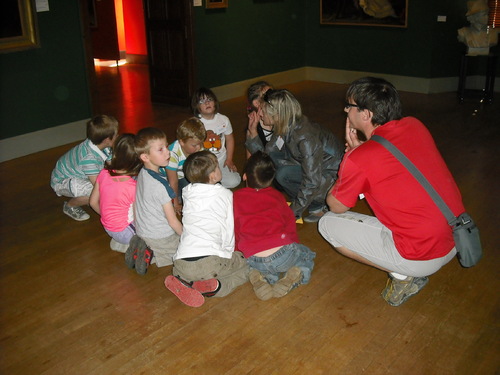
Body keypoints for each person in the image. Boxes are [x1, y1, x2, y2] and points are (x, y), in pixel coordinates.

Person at [318, 77, 466, 307]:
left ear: (365, 114)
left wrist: (350, 160)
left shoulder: (360, 158)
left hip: (420, 256)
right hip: (456, 236)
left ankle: (404, 276)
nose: (345, 111)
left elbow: (336, 206)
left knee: (327, 224)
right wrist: (361, 152)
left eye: (349, 106)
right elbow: (392, 161)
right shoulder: (415, 125)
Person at [165, 150, 249, 307]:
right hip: (210, 262)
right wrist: (229, 252)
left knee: (195, 269)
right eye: (217, 167)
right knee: (246, 267)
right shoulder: (225, 195)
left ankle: (185, 280)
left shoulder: (187, 192)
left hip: (181, 262)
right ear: (213, 176)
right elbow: (227, 228)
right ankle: (217, 288)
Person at [249, 89, 344, 223]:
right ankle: (308, 202)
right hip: (317, 172)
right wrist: (253, 134)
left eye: (262, 110)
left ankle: (318, 204)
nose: (259, 113)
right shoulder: (285, 124)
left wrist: (291, 213)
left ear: (276, 114)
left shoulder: (305, 137)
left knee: (283, 174)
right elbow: (268, 157)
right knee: (277, 163)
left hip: (332, 180)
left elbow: (312, 180)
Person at [233, 151, 316, 301]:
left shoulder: (235, 198)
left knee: (253, 265)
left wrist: (237, 251)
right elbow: (290, 224)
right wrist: (293, 244)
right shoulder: (277, 196)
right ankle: (298, 274)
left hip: (253, 257)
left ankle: (263, 277)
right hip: (283, 254)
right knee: (306, 254)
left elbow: (234, 230)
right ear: (271, 179)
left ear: (244, 176)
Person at [129, 127, 183, 275]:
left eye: (166, 146)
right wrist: (187, 237)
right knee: (185, 252)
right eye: (160, 150)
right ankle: (151, 255)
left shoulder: (142, 172)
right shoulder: (161, 186)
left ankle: (141, 245)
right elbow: (173, 222)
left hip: (142, 230)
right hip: (160, 236)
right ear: (145, 157)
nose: (168, 152)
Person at [50, 115, 118, 221]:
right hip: (62, 181)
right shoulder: (89, 159)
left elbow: (113, 166)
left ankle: (83, 196)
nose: (118, 136)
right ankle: (70, 206)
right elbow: (98, 187)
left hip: (78, 174)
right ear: (106, 140)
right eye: (115, 135)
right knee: (96, 194)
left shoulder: (102, 145)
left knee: (107, 187)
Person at [89, 133, 142, 253]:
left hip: (108, 227)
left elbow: (92, 202)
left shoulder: (103, 173)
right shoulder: (133, 187)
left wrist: (108, 217)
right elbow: (138, 217)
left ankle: (120, 241)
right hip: (126, 231)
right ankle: (131, 246)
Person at [191, 87, 241, 189]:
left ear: (215, 102)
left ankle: (216, 181)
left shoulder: (224, 119)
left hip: (221, 160)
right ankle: (214, 181)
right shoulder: (195, 123)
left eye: (209, 99)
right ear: (197, 106)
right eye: (202, 101)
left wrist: (229, 159)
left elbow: (229, 139)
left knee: (235, 182)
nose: (207, 103)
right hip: (204, 162)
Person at [165, 117, 206, 215]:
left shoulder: (198, 147)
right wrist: (175, 204)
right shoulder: (172, 154)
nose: (199, 148)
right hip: (169, 180)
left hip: (185, 177)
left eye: (200, 144)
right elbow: (173, 182)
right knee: (176, 198)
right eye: (194, 145)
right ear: (182, 142)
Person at [245, 81, 273, 158]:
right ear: (257, 103)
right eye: (268, 96)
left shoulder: (278, 118)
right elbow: (250, 158)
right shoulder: (252, 127)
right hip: (266, 165)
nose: (274, 97)